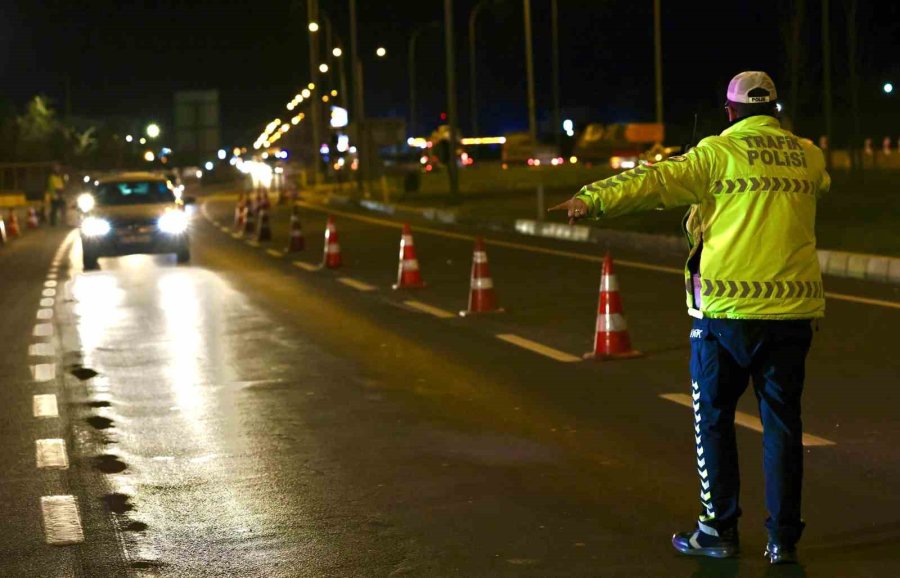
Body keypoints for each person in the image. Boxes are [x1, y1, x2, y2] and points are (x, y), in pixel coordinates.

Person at [551, 71, 829, 565]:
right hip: (793, 313)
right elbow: (819, 184)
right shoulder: (808, 155)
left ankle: (717, 530)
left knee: (714, 420)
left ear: (730, 112)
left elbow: (654, 180)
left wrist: (592, 198)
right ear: (774, 109)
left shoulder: (716, 153)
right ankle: (783, 541)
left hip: (725, 315)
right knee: (783, 426)